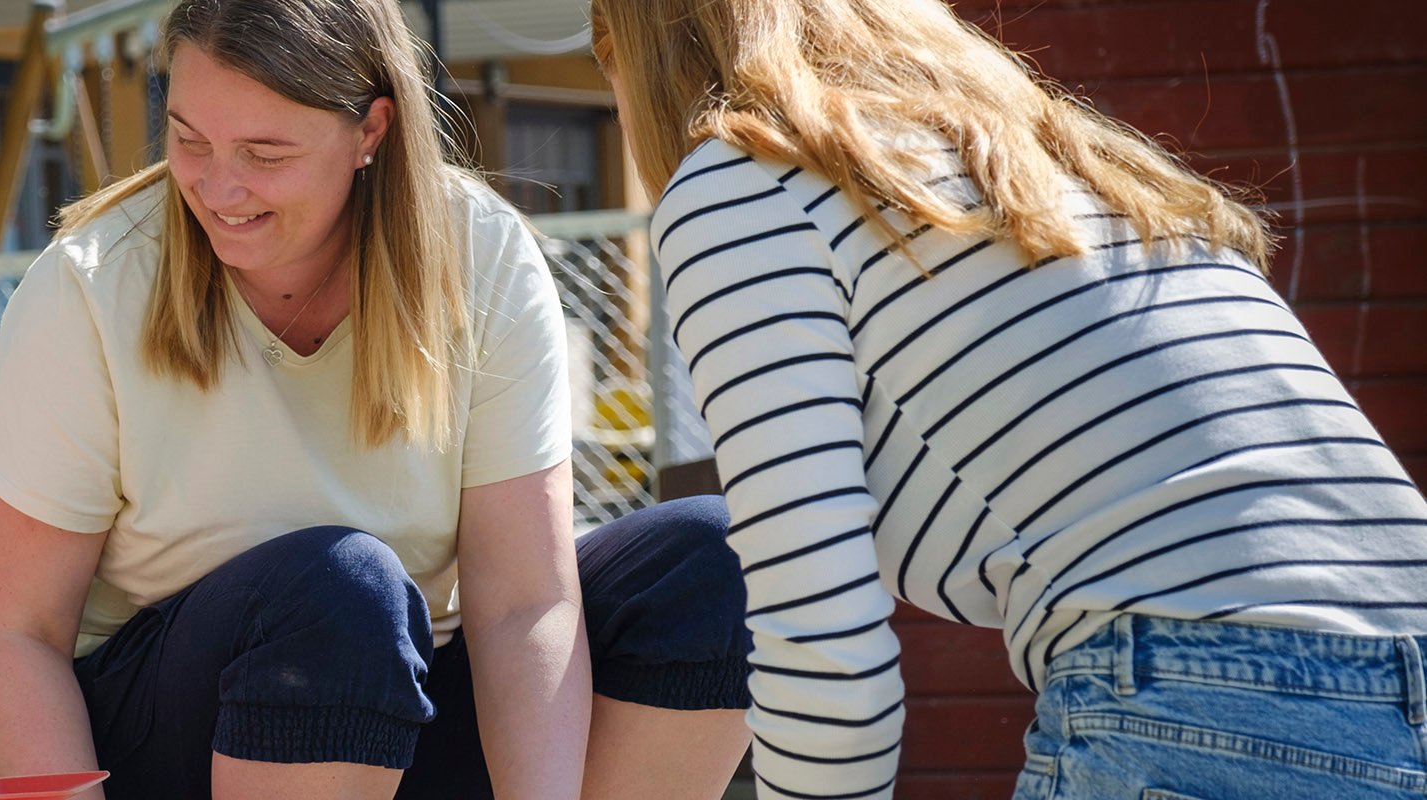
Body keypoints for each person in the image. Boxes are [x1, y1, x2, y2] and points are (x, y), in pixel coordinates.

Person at [592, 0, 1427, 798]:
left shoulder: (740, 179)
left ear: (646, 56)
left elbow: (825, 649)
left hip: (1207, 692)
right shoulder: (1054, 159)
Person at [0, 0, 755, 797]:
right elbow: (16, 635)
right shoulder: (90, 284)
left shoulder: (482, 253)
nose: (217, 186)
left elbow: (522, 602)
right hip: (172, 736)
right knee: (341, 594)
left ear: (370, 133)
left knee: (715, 559)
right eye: (188, 139)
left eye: (265, 153)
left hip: (396, 700)